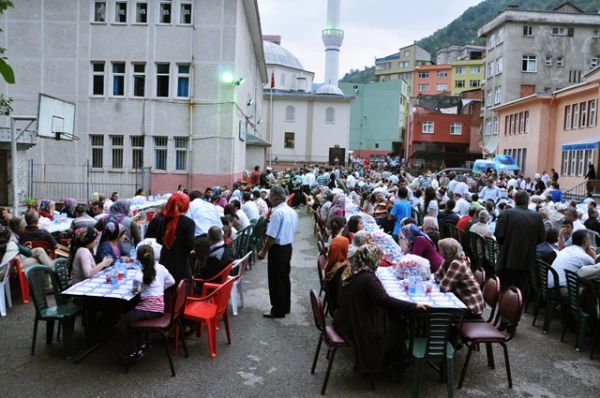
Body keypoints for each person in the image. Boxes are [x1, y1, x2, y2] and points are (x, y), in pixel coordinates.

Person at [333, 244, 426, 376]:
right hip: (358, 325)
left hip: (345, 318)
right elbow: (385, 301)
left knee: (394, 317)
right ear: (372, 259)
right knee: (399, 325)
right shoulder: (367, 278)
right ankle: (391, 364)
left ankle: (392, 360)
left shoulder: (350, 270)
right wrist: (413, 306)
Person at [119, 244, 175, 359]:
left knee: (123, 322)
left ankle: (133, 351)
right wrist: (160, 290)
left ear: (138, 259)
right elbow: (172, 281)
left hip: (148, 309)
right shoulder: (161, 268)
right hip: (159, 307)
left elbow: (135, 291)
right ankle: (141, 344)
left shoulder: (139, 274)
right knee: (133, 316)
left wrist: (136, 290)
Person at [257, 185, 298, 318]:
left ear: (274, 198)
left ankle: (277, 309)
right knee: (284, 277)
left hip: (278, 249)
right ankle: (285, 306)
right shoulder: (291, 211)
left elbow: (271, 237)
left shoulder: (277, 213)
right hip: (287, 247)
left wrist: (263, 251)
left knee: (275, 280)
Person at [494, 190, 545, 294]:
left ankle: (503, 309)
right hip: (526, 260)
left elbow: (499, 235)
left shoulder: (506, 213)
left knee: (504, 290)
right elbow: (541, 238)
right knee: (519, 292)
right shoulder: (537, 217)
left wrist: (507, 245)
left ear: (515, 200)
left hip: (507, 258)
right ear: (527, 201)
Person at [435, 238, 485, 317]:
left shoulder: (457, 263)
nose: (439, 252)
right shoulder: (448, 260)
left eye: (441, 250)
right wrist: (445, 281)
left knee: (438, 312)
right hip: (464, 301)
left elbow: (443, 287)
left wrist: (444, 281)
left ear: (447, 252)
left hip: (472, 307)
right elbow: (436, 276)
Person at [155, 192, 195, 283]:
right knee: (181, 294)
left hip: (165, 264)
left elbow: (158, 240)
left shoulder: (162, 221)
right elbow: (190, 246)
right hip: (181, 265)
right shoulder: (189, 223)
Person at [549, 230, 596, 296]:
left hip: (550, 285)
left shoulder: (566, 249)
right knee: (591, 288)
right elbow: (595, 268)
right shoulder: (583, 256)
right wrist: (593, 254)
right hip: (562, 289)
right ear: (586, 242)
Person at [187, 190, 223, 276]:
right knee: (215, 264)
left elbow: (188, 223)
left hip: (202, 238)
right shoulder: (211, 205)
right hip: (218, 237)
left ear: (190, 199)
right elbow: (219, 223)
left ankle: (200, 284)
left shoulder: (190, 206)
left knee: (202, 266)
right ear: (201, 197)